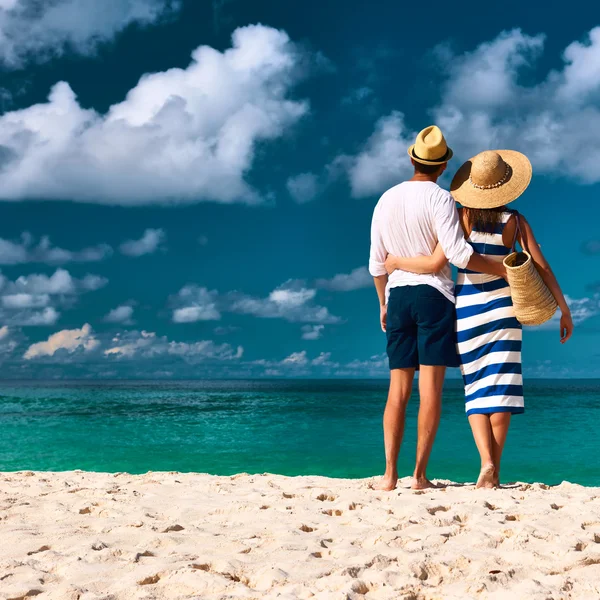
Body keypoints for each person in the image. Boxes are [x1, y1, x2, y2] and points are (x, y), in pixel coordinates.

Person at [384, 149, 574, 488]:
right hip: (505, 307)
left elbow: (439, 259)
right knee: (501, 388)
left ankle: (487, 462)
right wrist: (564, 308)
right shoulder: (515, 220)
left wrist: (397, 262)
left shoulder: (460, 218)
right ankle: (492, 472)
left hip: (467, 309)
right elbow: (542, 266)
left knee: (475, 388)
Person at [369, 126, 506, 491]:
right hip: (434, 298)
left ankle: (388, 475)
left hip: (397, 297)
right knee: (430, 391)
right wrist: (506, 268)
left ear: (411, 158)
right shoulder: (441, 199)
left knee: (397, 390)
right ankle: (418, 476)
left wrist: (383, 303)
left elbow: (377, 265)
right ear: (443, 167)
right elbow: (460, 255)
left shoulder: (385, 200)